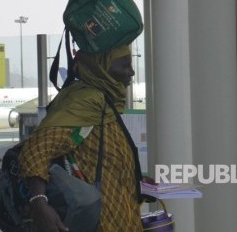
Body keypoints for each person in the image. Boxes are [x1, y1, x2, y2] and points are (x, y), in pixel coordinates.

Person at [18, 44, 144, 231]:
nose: (131, 72)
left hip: (122, 220)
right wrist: (39, 203)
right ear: (101, 68)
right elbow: (36, 151)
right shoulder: (86, 103)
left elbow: (104, 161)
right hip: (100, 223)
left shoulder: (106, 105)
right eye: (124, 65)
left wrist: (135, 178)